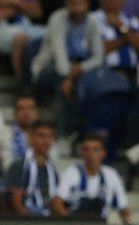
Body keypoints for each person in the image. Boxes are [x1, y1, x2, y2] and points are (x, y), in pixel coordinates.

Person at [31, 0, 104, 135]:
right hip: (49, 66)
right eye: (73, 3)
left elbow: (98, 57)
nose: (77, 7)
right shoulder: (57, 18)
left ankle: (85, 131)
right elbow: (59, 53)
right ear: (67, 4)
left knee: (92, 83)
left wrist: (81, 67)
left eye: (80, 3)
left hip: (79, 66)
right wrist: (68, 76)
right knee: (62, 82)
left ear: (87, 4)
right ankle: (64, 133)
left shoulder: (92, 21)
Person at [52, 133, 130, 223]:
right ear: (82, 152)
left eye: (95, 150)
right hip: (74, 224)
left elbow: (123, 209)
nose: (90, 154)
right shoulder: (71, 172)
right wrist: (68, 221)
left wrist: (128, 224)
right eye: (86, 149)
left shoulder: (111, 175)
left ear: (103, 153)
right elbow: (57, 202)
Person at [0, 0, 44, 77]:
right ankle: (23, 79)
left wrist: (13, 2)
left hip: (25, 27)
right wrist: (20, 8)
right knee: (20, 39)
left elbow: (37, 12)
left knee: (49, 34)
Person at [6, 121, 59, 216]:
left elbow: (55, 199)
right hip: (27, 219)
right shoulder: (18, 166)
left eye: (49, 136)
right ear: (30, 138)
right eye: (41, 136)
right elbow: (16, 205)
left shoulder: (53, 170)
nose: (46, 141)